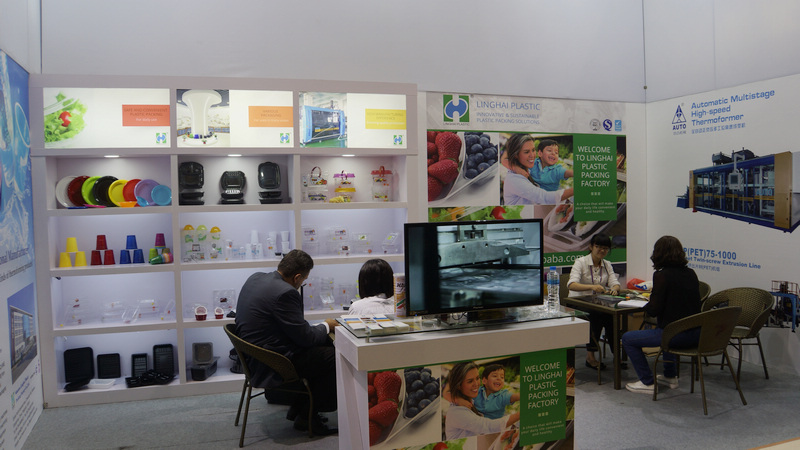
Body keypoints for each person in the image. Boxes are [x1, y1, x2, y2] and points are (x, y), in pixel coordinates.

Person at [234, 249, 339, 435]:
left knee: (323, 346)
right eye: (304, 280)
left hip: (252, 356)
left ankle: (302, 409)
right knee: (333, 356)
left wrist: (317, 329)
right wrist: (326, 325)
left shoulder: (255, 278)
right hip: (272, 363)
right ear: (297, 277)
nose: (301, 284)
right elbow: (306, 338)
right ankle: (308, 416)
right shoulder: (285, 293)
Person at [621, 235, 701, 394]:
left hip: (675, 335)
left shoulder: (662, 275)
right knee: (665, 327)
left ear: (658, 253)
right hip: (696, 334)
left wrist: (648, 302)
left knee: (628, 339)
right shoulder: (691, 273)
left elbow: (653, 310)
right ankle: (670, 376)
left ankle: (647, 382)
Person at [567, 233, 621, 370]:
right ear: (591, 247)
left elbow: (615, 283)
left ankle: (617, 356)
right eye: (598, 247)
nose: (602, 250)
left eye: (605, 248)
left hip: (596, 303)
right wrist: (591, 287)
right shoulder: (581, 262)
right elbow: (571, 284)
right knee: (596, 315)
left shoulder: (607, 264)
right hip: (578, 302)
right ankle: (590, 357)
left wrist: (614, 288)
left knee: (612, 316)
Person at [444, 361, 520, 440]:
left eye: (477, 378)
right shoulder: (458, 412)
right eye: (470, 381)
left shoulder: (470, 399)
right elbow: (489, 426)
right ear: (459, 385)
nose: (476, 384)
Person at [502, 133, 573, 205]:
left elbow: (505, 161)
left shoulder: (528, 168)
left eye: (533, 150)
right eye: (526, 152)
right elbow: (545, 197)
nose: (532, 155)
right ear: (516, 155)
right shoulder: (515, 179)